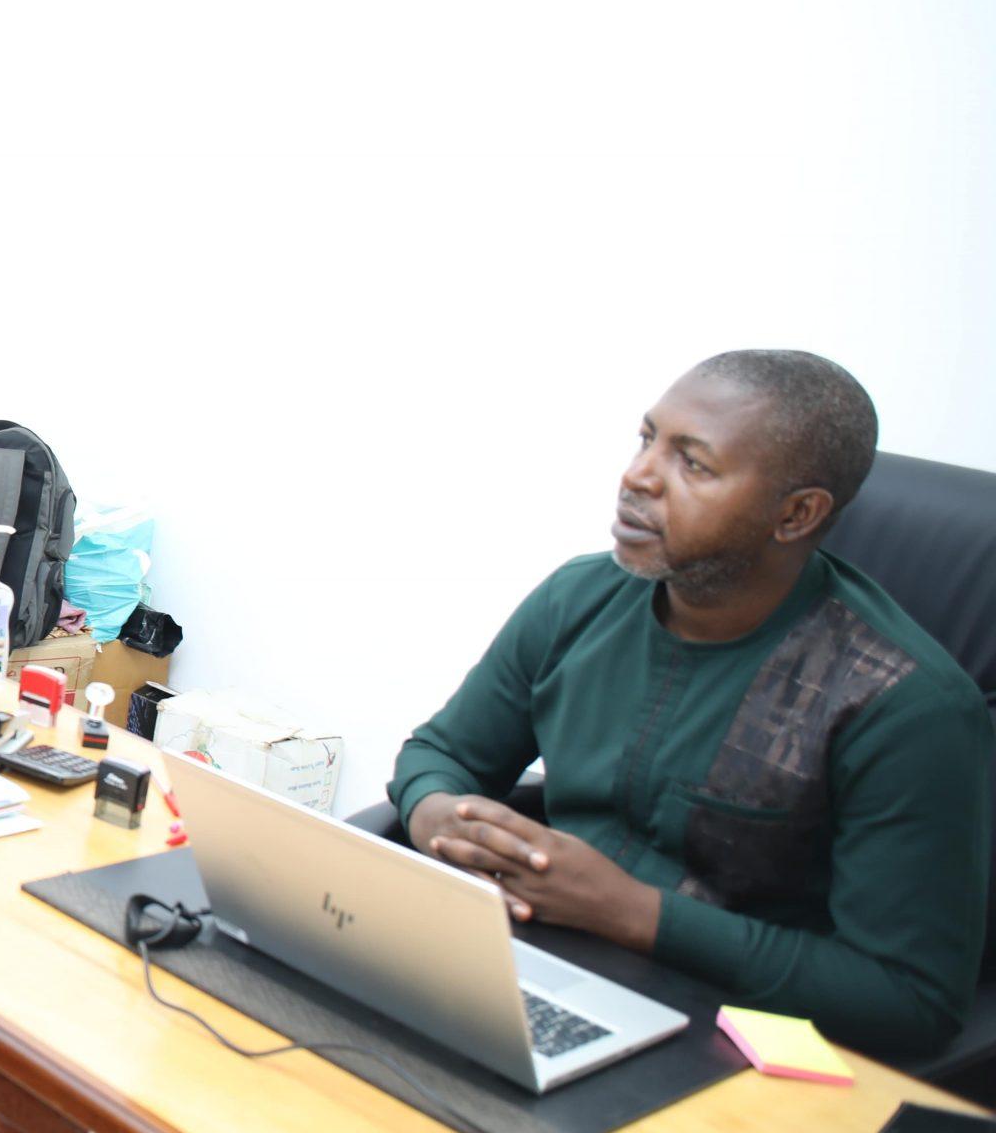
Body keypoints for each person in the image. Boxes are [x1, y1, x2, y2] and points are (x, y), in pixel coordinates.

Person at [389, 350, 992, 1057]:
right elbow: (444, 752)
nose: (637, 476)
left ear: (796, 514)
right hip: (531, 968)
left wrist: (630, 912)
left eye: (692, 464)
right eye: (647, 439)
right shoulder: (578, 599)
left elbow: (906, 1000)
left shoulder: (904, 706)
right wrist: (436, 815)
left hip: (728, 1036)